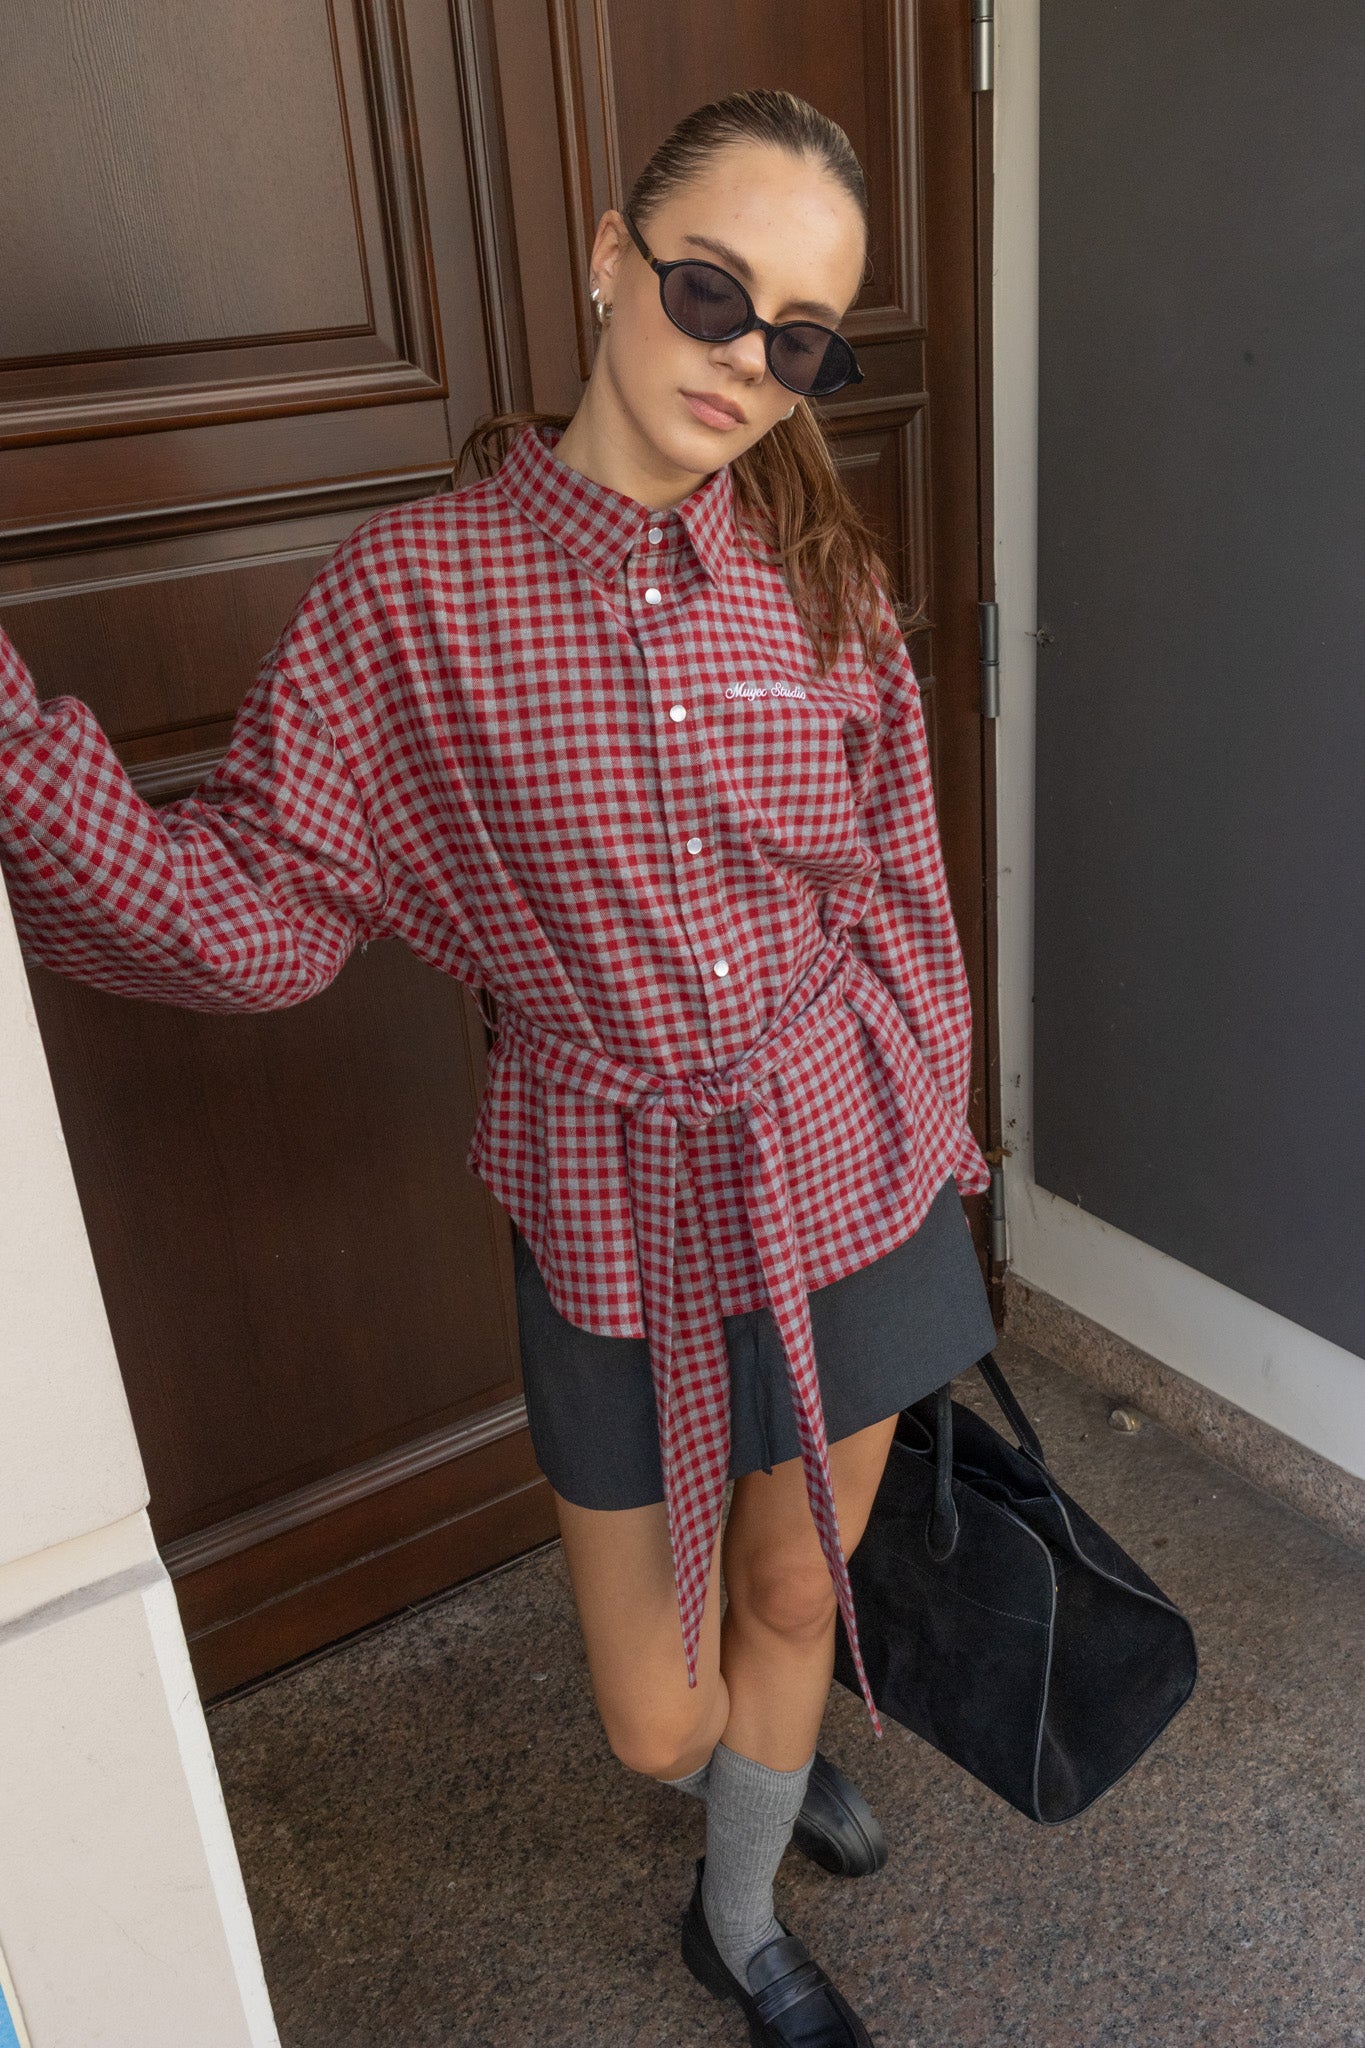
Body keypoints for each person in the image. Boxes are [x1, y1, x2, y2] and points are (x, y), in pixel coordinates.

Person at [0, 88, 995, 2048]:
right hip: (612, 1187)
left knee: (795, 1591)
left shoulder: (821, 576)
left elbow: (898, 883)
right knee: (657, 1715)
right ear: (610, 257)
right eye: (711, 292)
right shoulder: (408, 601)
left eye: (799, 337)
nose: (747, 360)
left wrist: (938, 1120)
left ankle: (741, 1909)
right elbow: (251, 914)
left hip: (844, 1142)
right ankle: (747, 1757)